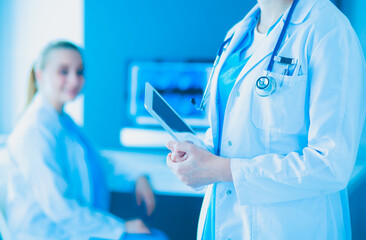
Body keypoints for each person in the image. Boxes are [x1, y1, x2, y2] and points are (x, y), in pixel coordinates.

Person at [166, 0, 366, 239]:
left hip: (288, 228)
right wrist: (197, 160)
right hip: (222, 221)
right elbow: (231, 133)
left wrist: (220, 169)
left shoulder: (328, 30)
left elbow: (331, 164)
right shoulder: (238, 34)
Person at [5, 41, 168, 240]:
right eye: (64, 71)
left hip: (74, 229)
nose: (74, 80)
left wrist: (136, 176)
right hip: (50, 234)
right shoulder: (34, 130)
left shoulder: (63, 122)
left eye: (79, 72)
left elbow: (98, 161)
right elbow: (59, 207)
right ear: (40, 74)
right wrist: (120, 227)